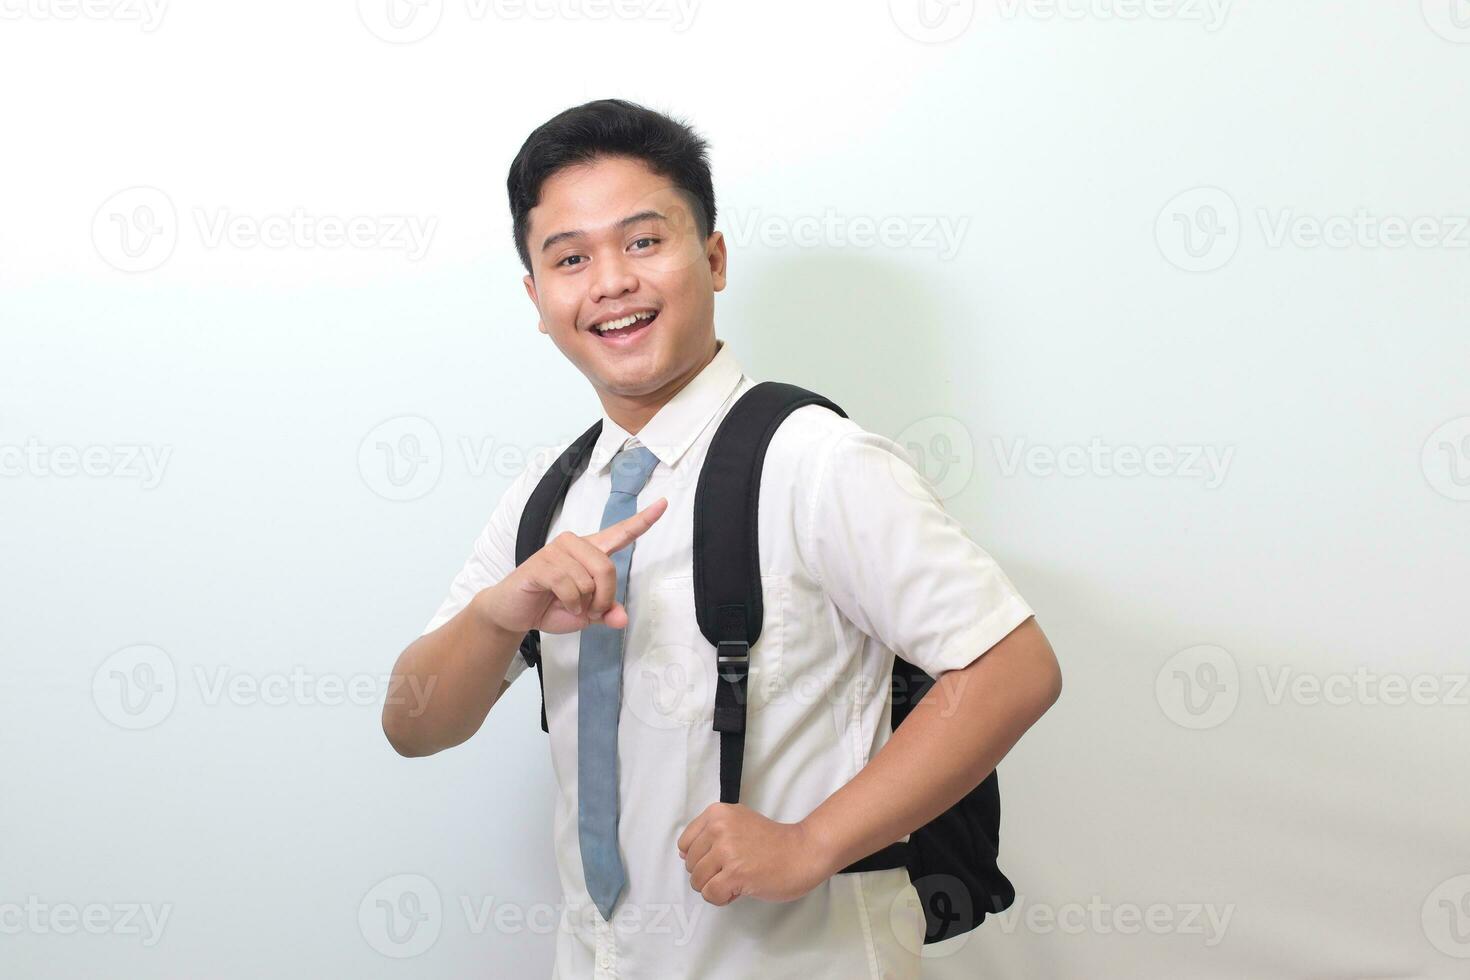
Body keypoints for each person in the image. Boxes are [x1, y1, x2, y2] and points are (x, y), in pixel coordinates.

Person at [382, 98, 1062, 979]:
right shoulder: (545, 498)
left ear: (713, 256)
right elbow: (414, 725)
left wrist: (813, 841)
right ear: (537, 299)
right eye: (571, 258)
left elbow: (1015, 669)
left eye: (643, 241)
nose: (611, 281)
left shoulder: (817, 462)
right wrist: (494, 617)